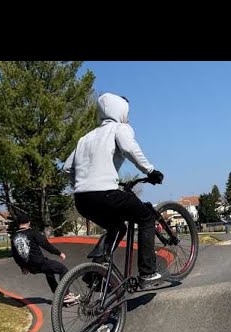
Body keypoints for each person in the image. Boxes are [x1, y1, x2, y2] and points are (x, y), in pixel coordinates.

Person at [63, 92, 165, 289]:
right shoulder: (120, 128)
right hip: (106, 194)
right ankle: (147, 272)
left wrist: (83, 183)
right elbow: (130, 148)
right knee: (146, 218)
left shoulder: (85, 137)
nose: (128, 117)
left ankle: (97, 267)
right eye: (126, 112)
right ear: (120, 112)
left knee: (117, 227)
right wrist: (150, 171)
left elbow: (67, 167)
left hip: (82, 199)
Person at [10, 212, 79, 305]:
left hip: (30, 267)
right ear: (29, 222)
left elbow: (15, 254)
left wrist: (22, 267)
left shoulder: (14, 236)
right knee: (62, 269)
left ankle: (59, 297)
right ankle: (66, 295)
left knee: (49, 272)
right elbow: (45, 244)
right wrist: (59, 253)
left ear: (18, 224)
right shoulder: (33, 232)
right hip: (40, 263)